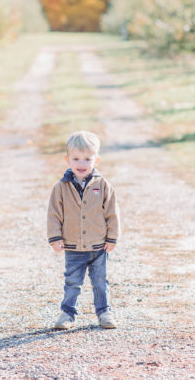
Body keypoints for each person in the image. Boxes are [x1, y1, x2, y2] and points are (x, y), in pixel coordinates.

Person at [47, 130, 121, 330]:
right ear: (67, 160)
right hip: (73, 245)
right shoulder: (61, 187)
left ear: (96, 160)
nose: (81, 164)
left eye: (87, 159)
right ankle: (67, 313)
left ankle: (104, 312)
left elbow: (112, 214)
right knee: (72, 282)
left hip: (99, 245)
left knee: (100, 281)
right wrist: (55, 238)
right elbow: (54, 214)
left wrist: (112, 238)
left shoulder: (103, 186)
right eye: (76, 159)